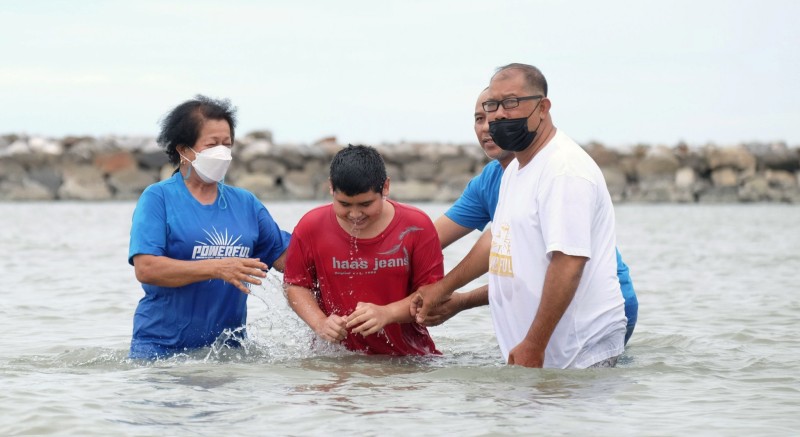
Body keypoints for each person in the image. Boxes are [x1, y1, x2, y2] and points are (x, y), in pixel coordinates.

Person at [416, 64, 626, 369]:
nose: (499, 114)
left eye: (512, 102)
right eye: (493, 105)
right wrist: (443, 288)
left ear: (543, 107)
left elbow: (569, 263)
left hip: (579, 354)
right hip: (539, 355)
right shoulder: (515, 168)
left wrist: (534, 343)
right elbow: (498, 238)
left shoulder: (564, 170)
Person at [128, 95, 291, 359]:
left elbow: (288, 259)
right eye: (212, 144)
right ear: (184, 149)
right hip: (160, 352)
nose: (222, 152)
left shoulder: (245, 203)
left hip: (227, 354)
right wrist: (217, 267)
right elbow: (146, 268)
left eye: (227, 144)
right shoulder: (158, 198)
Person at [283, 144, 444, 356]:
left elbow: (433, 298)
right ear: (331, 188)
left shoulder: (416, 225)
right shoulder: (311, 226)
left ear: (385, 187)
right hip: (337, 362)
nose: (355, 214)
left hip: (407, 361)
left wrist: (387, 313)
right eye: (344, 204)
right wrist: (320, 323)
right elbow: (295, 285)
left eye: (366, 204)